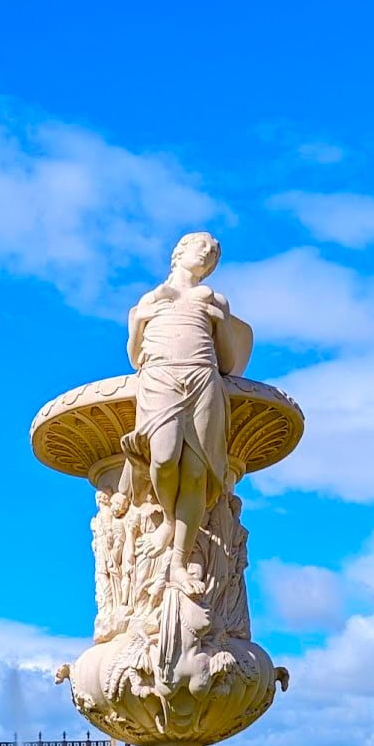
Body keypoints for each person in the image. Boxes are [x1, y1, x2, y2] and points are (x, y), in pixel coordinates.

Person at [122, 231, 249, 596]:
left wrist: (220, 322)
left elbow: (227, 362)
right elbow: (135, 358)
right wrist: (137, 321)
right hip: (160, 377)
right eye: (203, 248)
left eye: (214, 255)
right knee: (162, 459)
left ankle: (178, 562)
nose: (208, 256)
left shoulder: (215, 300)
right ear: (179, 252)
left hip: (203, 378)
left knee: (196, 472)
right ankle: (168, 516)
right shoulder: (151, 298)